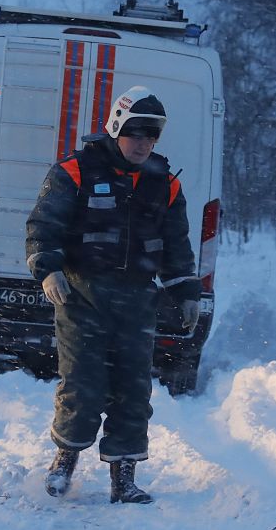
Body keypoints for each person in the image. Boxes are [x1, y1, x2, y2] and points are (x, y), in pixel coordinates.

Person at [26, 86, 201, 504]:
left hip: (138, 299)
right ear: (116, 128)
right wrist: (48, 269)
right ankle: (64, 461)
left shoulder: (165, 184)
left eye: (151, 136)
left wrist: (186, 290)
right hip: (81, 296)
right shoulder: (75, 171)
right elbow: (43, 225)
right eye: (135, 134)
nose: (142, 144)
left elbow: (177, 245)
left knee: (133, 389)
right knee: (82, 383)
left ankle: (124, 479)